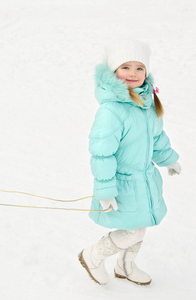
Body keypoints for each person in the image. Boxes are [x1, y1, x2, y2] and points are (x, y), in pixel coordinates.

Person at [78, 39, 181, 286]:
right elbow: (102, 153)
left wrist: (170, 160)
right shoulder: (112, 110)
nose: (133, 73)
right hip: (122, 183)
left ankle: (125, 266)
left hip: (144, 179)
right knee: (133, 230)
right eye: (126, 67)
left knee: (140, 225)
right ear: (114, 72)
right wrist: (105, 190)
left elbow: (156, 139)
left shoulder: (146, 104)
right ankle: (92, 255)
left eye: (139, 68)